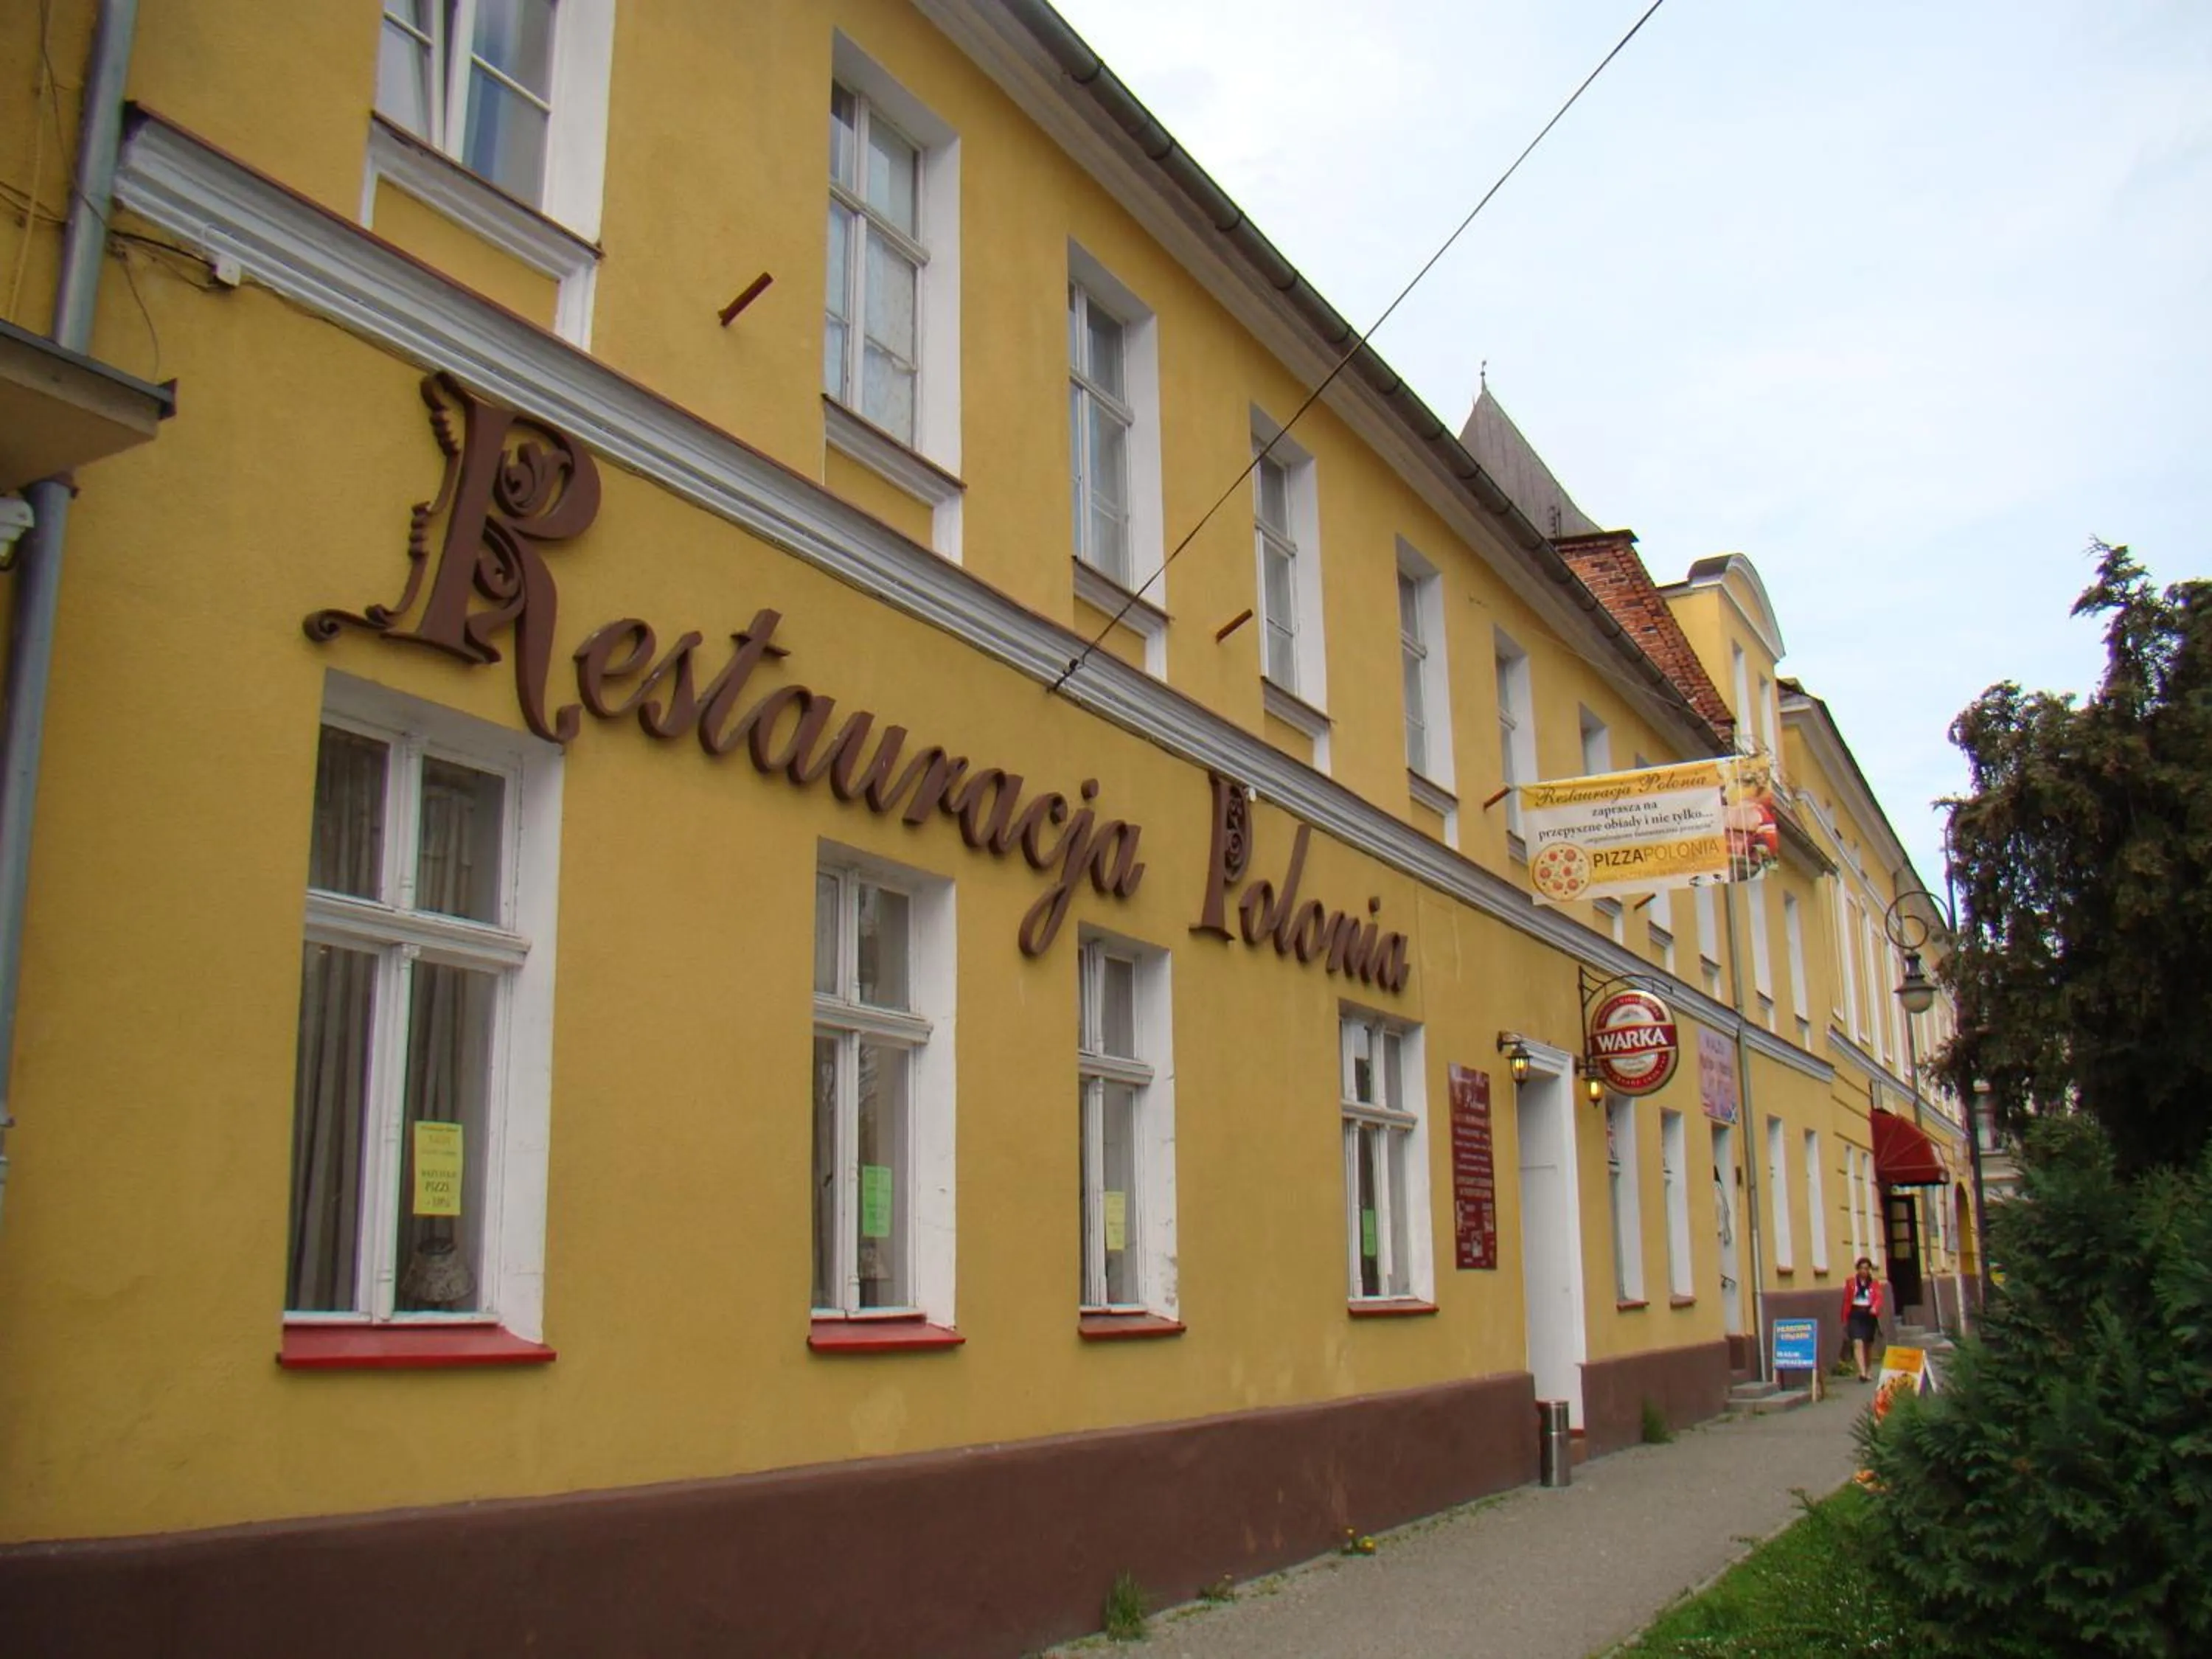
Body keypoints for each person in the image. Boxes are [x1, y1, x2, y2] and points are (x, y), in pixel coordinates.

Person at [1841, 1256, 1885, 1381]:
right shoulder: (1851, 1283)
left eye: (1866, 1268)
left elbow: (1878, 1298)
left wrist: (1875, 1308)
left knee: (1868, 1345)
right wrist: (1844, 1319)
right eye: (1861, 1268)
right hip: (1855, 1314)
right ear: (1857, 1269)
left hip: (1869, 1315)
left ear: (1869, 1270)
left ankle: (1869, 1369)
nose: (1863, 1271)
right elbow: (1846, 1301)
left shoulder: (1874, 1283)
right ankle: (1862, 1372)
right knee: (1857, 1342)